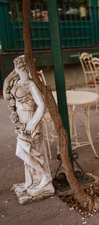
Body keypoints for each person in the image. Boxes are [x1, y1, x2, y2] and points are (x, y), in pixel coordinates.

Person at [3, 55, 54, 203]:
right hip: (21, 121)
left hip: (30, 120)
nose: (15, 69)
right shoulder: (17, 82)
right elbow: (7, 96)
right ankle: (31, 181)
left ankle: (44, 177)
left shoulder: (30, 84)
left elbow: (42, 106)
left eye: (17, 66)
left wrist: (32, 124)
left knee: (27, 151)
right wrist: (8, 78)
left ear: (23, 67)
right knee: (28, 153)